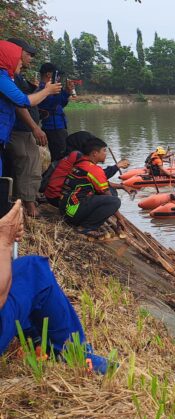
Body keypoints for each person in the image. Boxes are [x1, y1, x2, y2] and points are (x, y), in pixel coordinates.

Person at [0, 200, 112, 374]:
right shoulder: (94, 174)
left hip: (69, 206)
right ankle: (73, 352)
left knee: (21, 273)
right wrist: (4, 242)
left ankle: (35, 338)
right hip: (74, 210)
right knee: (33, 270)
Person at [0, 41, 61, 181]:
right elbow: (23, 101)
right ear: (8, 56)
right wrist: (47, 91)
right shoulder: (2, 77)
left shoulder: (7, 76)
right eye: (18, 58)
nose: (21, 62)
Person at [59, 137, 130, 237]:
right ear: (94, 153)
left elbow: (104, 184)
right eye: (104, 151)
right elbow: (108, 196)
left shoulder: (81, 163)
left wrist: (121, 186)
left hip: (64, 208)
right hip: (72, 213)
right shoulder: (94, 170)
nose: (106, 153)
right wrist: (120, 218)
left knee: (112, 191)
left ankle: (87, 220)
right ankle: (85, 227)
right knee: (115, 201)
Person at [44, 131, 129, 207]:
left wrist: (121, 186)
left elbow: (96, 178)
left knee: (107, 190)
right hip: (58, 197)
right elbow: (97, 177)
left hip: (54, 195)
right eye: (104, 150)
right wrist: (117, 166)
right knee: (111, 194)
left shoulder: (71, 155)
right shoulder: (77, 157)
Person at [37, 62, 74, 161]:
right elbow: (51, 105)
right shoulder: (42, 89)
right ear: (49, 74)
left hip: (60, 126)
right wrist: (57, 91)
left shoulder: (51, 89)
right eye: (57, 75)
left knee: (63, 155)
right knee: (60, 159)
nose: (58, 78)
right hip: (53, 128)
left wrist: (67, 92)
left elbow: (60, 104)